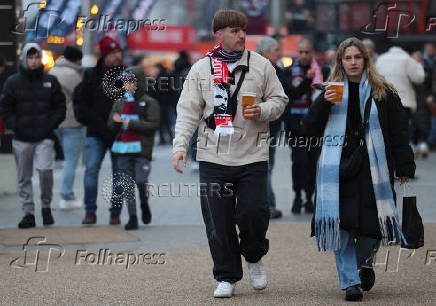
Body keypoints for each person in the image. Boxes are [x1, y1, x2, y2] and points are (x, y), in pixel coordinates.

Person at [172, 10, 288, 298]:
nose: (241, 35)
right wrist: (180, 147)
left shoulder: (261, 65)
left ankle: (253, 255)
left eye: (243, 30)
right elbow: (187, 111)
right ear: (219, 34)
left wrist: (262, 110)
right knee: (218, 222)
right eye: (234, 31)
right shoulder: (201, 69)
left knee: (254, 214)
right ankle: (226, 276)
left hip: (253, 155)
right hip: (213, 158)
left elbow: (280, 100)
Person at [302, 37, 415, 301]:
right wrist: (323, 103)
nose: (353, 62)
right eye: (347, 58)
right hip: (337, 168)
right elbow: (307, 129)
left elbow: (399, 133)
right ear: (340, 62)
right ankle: (350, 282)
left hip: (373, 168)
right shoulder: (329, 90)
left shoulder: (384, 92)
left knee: (372, 226)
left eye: (357, 57)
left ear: (366, 59)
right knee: (340, 224)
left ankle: (364, 263)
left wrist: (404, 165)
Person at [0, 43, 66, 228]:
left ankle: (46, 206)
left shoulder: (51, 81)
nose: (34, 61)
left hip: (44, 136)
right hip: (21, 138)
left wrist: (50, 125)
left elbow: (60, 107)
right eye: (30, 57)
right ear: (25, 59)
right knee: (24, 177)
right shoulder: (13, 82)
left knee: (46, 171)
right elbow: (5, 108)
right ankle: (28, 212)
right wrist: (15, 126)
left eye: (37, 57)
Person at [77, 35, 124, 225]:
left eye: (118, 52)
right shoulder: (90, 75)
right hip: (96, 132)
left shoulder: (126, 75)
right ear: (104, 55)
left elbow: (132, 103)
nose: (117, 56)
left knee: (119, 174)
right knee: (91, 170)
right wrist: (98, 125)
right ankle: (90, 211)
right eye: (112, 53)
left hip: (119, 134)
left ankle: (116, 212)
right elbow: (83, 103)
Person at [107, 67, 159, 230]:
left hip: (142, 151)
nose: (127, 86)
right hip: (123, 151)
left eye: (131, 82)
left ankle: (144, 203)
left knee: (141, 181)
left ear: (139, 83)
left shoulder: (149, 103)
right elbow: (111, 126)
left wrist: (131, 123)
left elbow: (153, 125)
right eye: (125, 82)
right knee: (127, 184)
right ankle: (133, 217)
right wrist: (116, 122)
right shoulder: (119, 102)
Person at [284, 38, 322, 214]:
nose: (303, 55)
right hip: (295, 124)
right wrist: (307, 81)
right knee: (298, 162)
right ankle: (297, 195)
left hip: (314, 124)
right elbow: (292, 93)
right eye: (300, 52)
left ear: (312, 52)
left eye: (307, 52)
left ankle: (309, 197)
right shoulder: (290, 71)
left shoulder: (322, 71)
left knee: (312, 163)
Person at [256, 36, 289, 219]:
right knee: (265, 166)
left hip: (273, 127)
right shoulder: (261, 72)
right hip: (262, 126)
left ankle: (264, 204)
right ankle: (268, 205)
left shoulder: (277, 70)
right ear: (265, 53)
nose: (279, 53)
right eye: (276, 50)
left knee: (268, 166)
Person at [49, 46, 85, 209]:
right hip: (72, 122)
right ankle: (66, 196)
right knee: (71, 161)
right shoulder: (73, 75)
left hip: (54, 121)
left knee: (60, 159)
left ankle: (59, 195)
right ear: (77, 59)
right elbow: (82, 96)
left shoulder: (52, 72)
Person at [375, 43, 425, 143]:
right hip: (404, 101)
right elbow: (419, 78)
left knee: (387, 129)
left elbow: (375, 77)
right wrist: (419, 63)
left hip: (384, 99)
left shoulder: (381, 58)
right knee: (402, 130)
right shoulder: (407, 59)